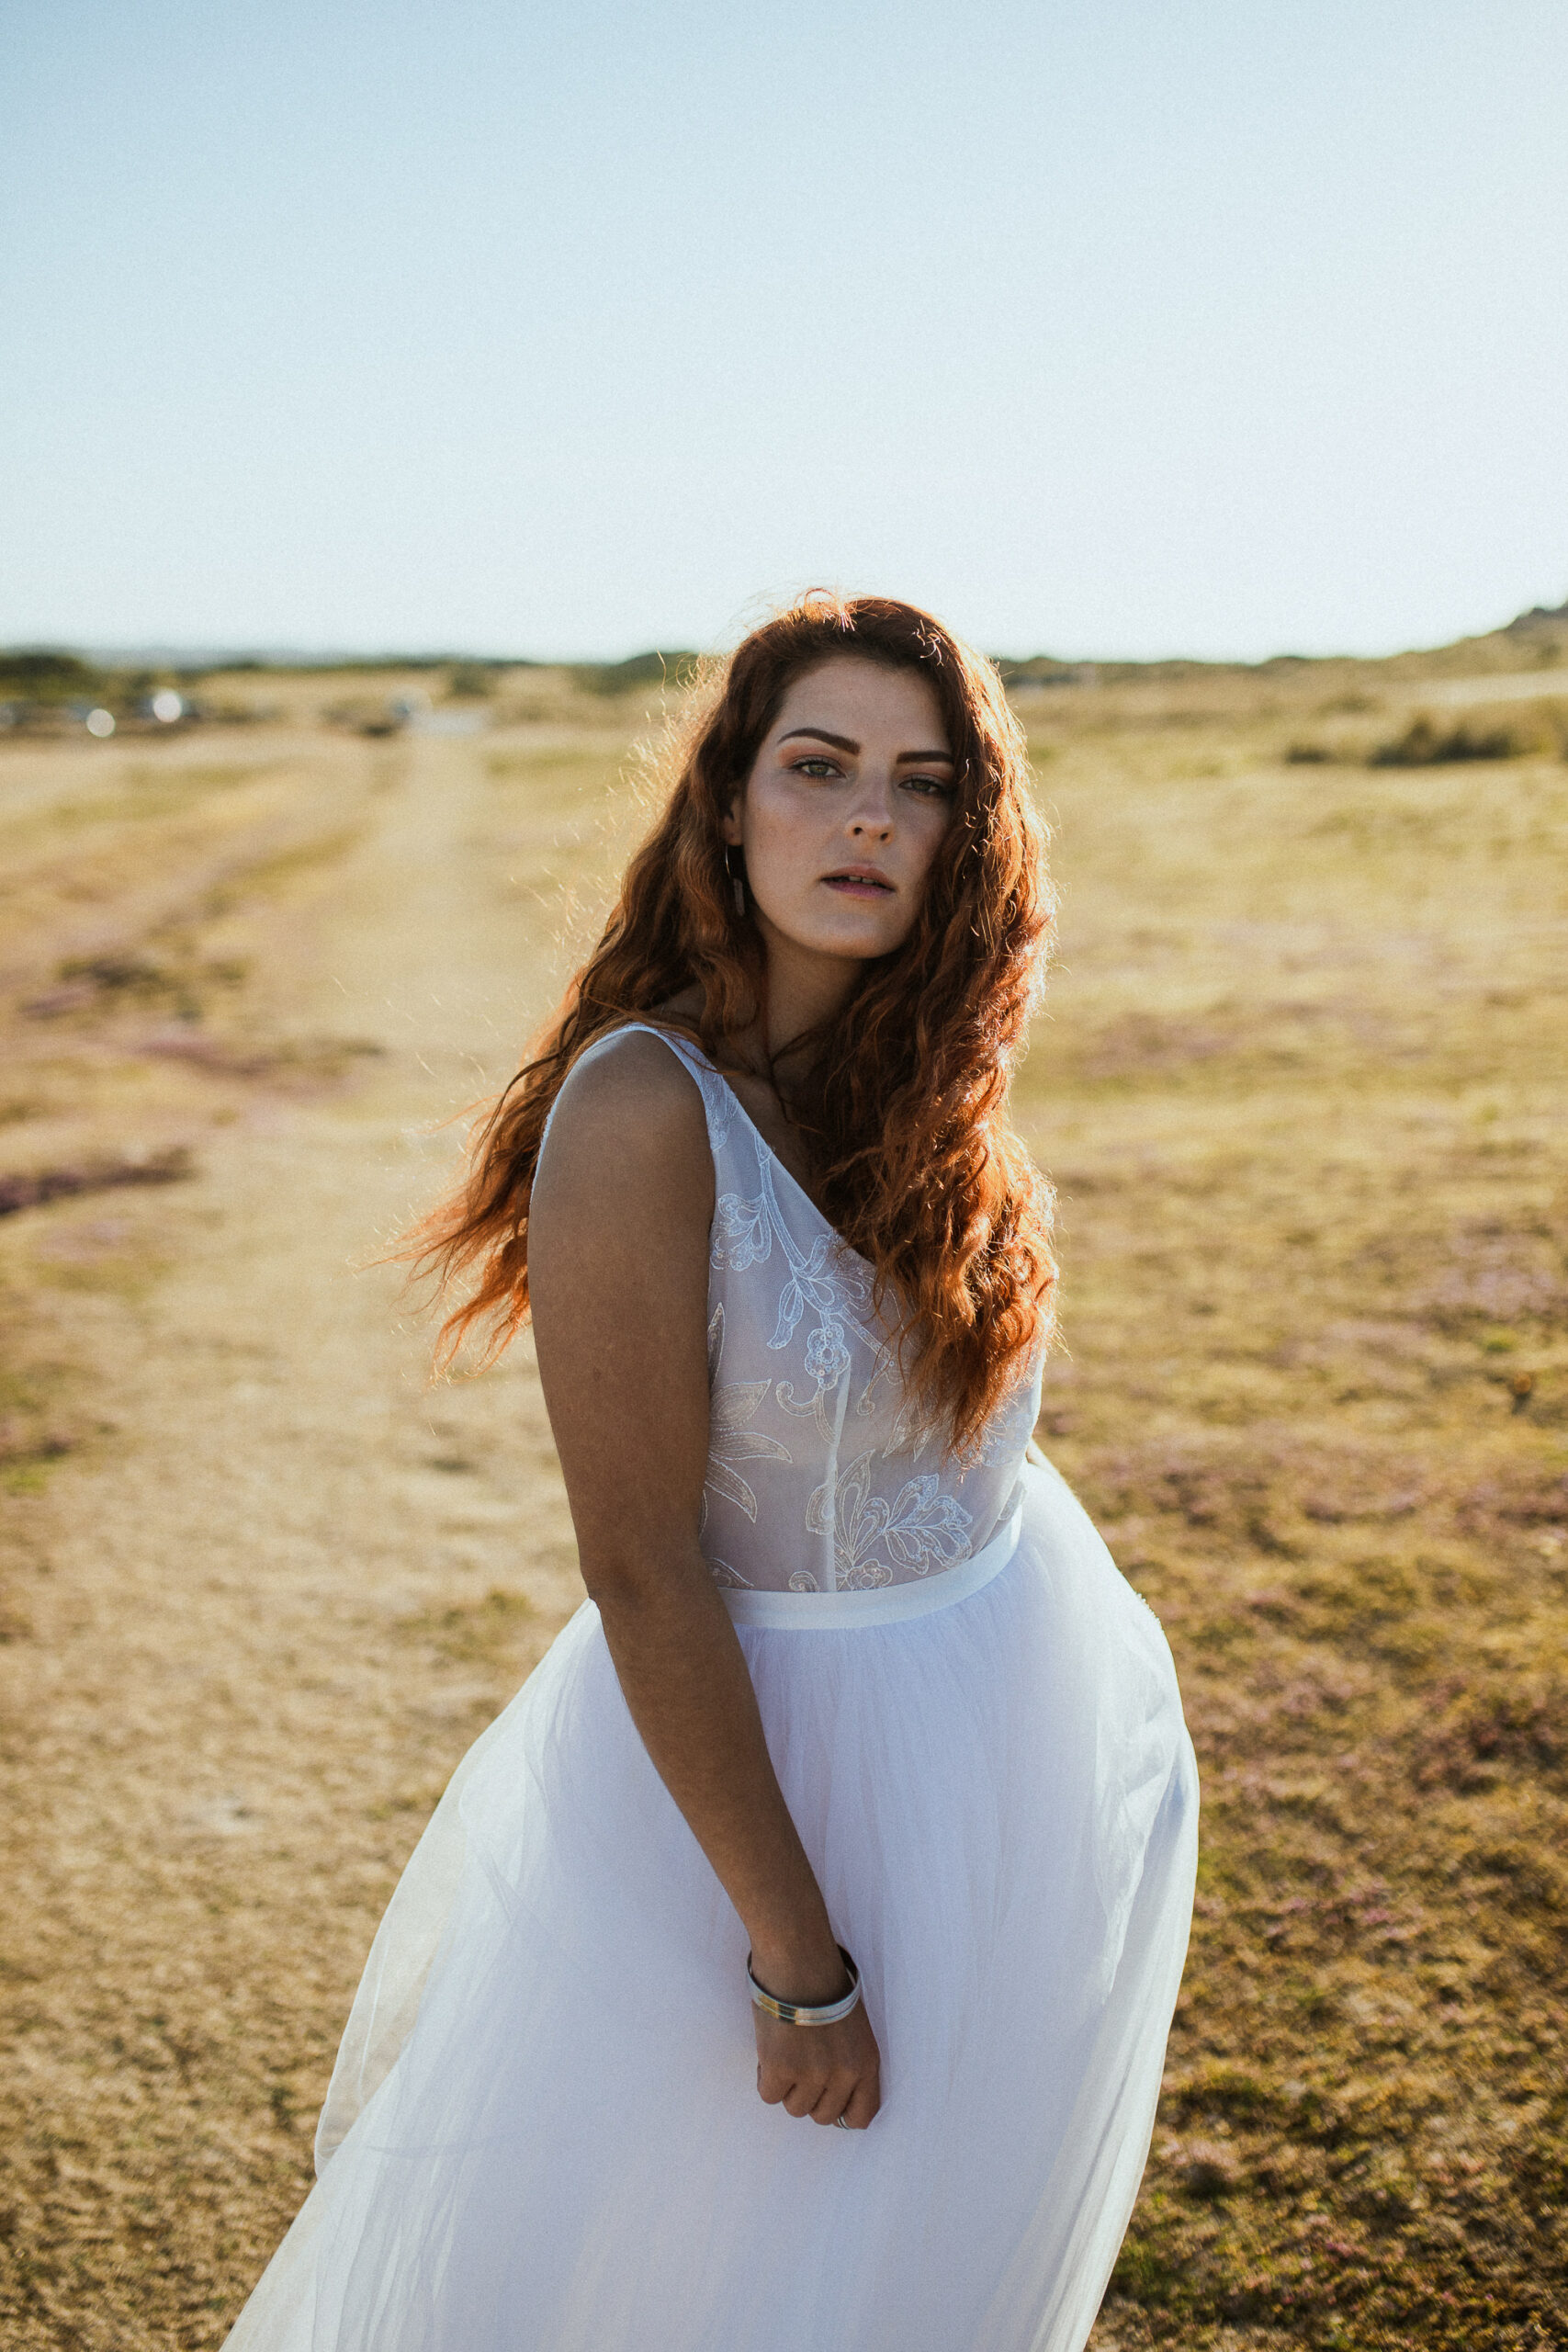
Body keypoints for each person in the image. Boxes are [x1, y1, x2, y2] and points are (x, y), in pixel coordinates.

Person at [223, 593, 1198, 2352]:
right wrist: (796, 1963)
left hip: (1009, 1756)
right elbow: (643, 1570)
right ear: (728, 801)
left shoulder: (929, 1076)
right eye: (817, 768)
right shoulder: (642, 1112)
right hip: (776, 1806)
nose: (868, 821)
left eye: (920, 784)